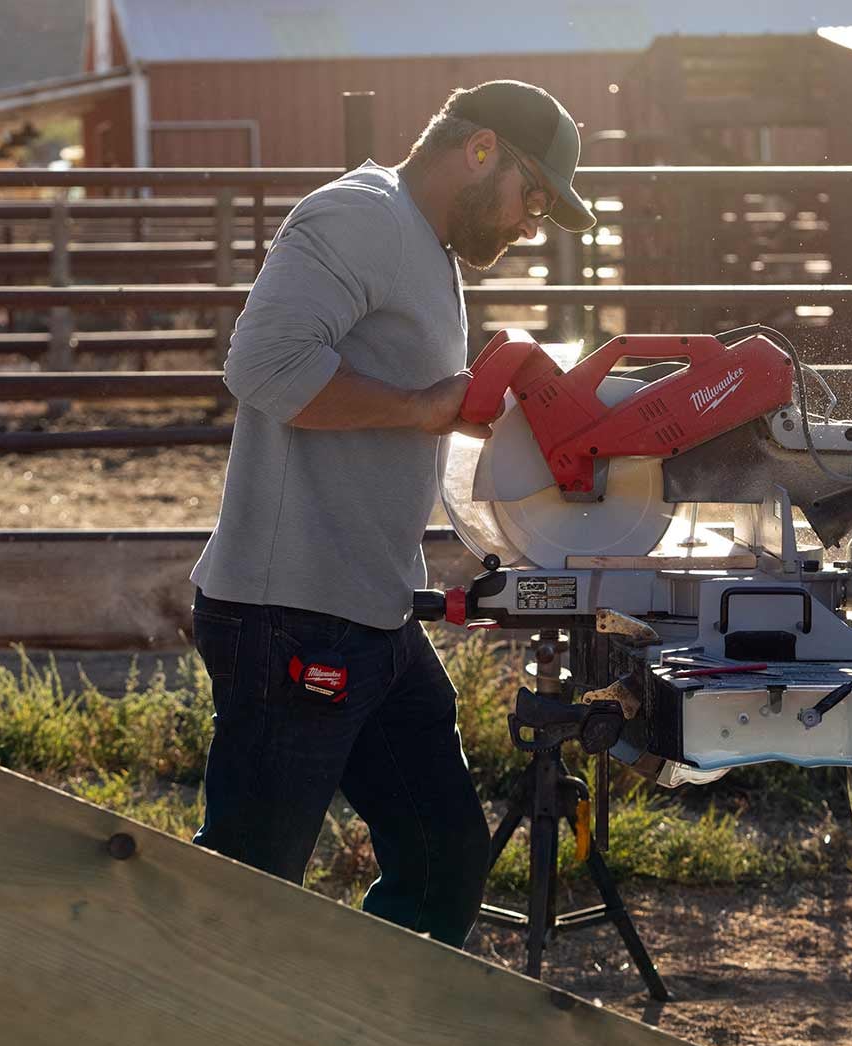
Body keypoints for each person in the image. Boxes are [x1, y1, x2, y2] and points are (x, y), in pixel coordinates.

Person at [187, 81, 597, 947]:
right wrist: (424, 407)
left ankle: (375, 1045)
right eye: (534, 197)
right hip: (292, 613)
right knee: (243, 894)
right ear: (481, 150)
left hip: (368, 609)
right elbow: (262, 366)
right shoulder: (361, 217)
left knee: (446, 859)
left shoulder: (422, 241)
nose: (530, 225)